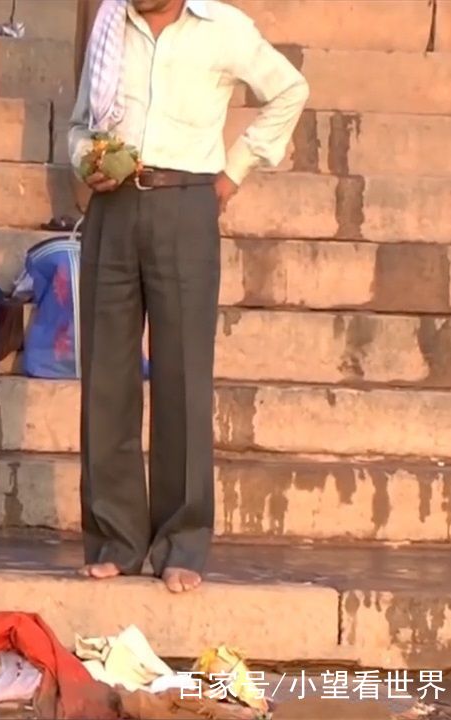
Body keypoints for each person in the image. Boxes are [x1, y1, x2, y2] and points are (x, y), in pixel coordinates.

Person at [69, 0, 308, 592]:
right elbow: (78, 126)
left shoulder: (223, 29)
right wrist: (85, 161)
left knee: (182, 379)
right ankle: (116, 540)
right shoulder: (107, 26)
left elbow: (289, 90)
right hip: (113, 206)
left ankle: (183, 541)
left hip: (187, 204)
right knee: (106, 379)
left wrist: (234, 172)